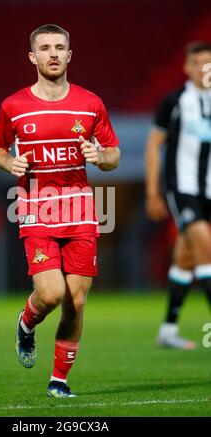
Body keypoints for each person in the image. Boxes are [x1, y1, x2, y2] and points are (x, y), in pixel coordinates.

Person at [0, 24, 120, 397]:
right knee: (51, 293)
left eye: (60, 47)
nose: (53, 53)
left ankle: (58, 381)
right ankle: (27, 324)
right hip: (35, 207)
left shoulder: (90, 102)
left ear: (69, 55)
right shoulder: (13, 106)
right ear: (32, 57)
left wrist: (102, 157)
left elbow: (113, 152)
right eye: (45, 48)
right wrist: (7, 163)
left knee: (76, 299)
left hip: (80, 209)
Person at [145, 41, 211, 350]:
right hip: (182, 188)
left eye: (208, 63)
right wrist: (153, 191)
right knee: (206, 249)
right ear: (186, 67)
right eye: (197, 63)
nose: (203, 69)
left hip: (208, 189)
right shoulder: (175, 101)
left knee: (186, 258)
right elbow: (153, 145)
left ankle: (168, 330)